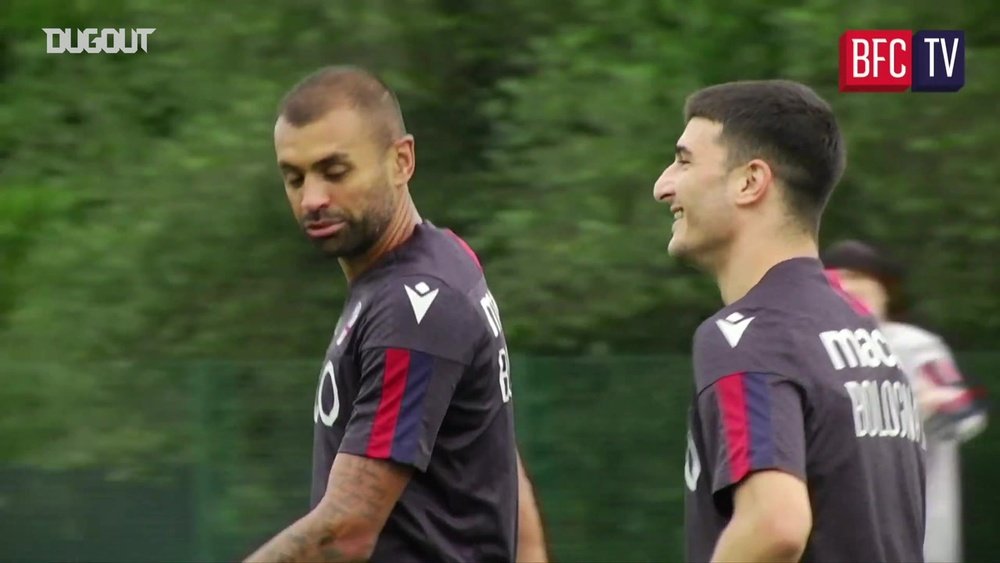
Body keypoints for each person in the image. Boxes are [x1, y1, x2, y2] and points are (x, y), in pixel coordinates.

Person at [244, 65, 548, 563]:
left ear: (401, 161)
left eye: (335, 171)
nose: (312, 199)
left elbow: (346, 531)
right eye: (294, 178)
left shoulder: (413, 308)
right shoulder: (443, 259)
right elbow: (498, 454)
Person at [653, 80, 926, 562]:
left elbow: (774, 525)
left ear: (750, 182)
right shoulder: (862, 334)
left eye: (684, 160)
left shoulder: (749, 335)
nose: (663, 186)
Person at [823, 239, 988, 563]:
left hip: (914, 538)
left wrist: (941, 403)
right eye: (837, 278)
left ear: (884, 288)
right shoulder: (813, 353)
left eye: (858, 275)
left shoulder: (916, 347)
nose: (848, 285)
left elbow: (966, 417)